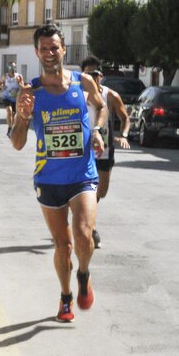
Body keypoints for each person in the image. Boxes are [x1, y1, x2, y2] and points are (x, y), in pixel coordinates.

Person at [11, 24, 107, 323]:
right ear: (37, 53)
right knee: (62, 245)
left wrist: (98, 130)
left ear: (63, 49)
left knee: (83, 234)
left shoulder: (84, 82)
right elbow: (16, 143)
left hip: (82, 174)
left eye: (55, 47)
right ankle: (66, 296)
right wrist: (23, 117)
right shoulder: (31, 92)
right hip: (48, 179)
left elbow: (102, 107)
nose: (50, 53)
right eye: (44, 49)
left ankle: (83, 273)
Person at [80, 56, 131, 249]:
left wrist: (124, 134)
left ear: (101, 76)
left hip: (104, 149)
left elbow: (125, 117)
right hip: (81, 149)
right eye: (87, 74)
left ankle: (85, 218)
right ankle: (89, 227)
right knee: (84, 191)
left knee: (100, 191)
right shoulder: (75, 94)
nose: (92, 78)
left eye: (95, 74)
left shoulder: (110, 95)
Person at [0, 63, 22, 137]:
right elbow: (0, 83)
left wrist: (19, 85)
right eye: (12, 68)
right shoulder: (5, 76)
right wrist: (2, 86)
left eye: (14, 67)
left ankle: (12, 128)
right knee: (9, 111)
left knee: (14, 114)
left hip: (15, 98)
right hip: (7, 97)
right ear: (9, 69)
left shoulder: (18, 76)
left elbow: (22, 85)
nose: (13, 69)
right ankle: (9, 128)